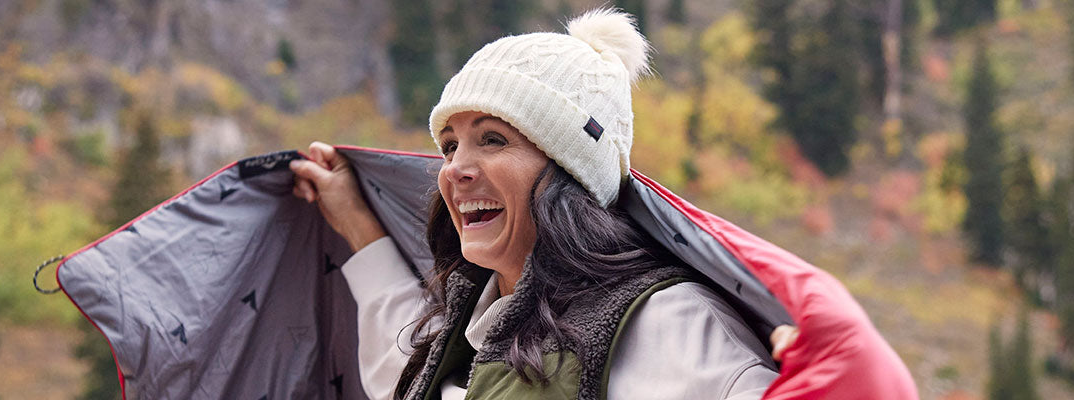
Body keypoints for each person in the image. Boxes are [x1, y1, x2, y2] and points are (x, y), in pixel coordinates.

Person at [287, 8, 782, 400]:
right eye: (450, 145)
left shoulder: (669, 320)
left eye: (494, 140)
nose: (455, 168)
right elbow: (396, 368)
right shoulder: (465, 330)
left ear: (570, 168)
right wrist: (352, 219)